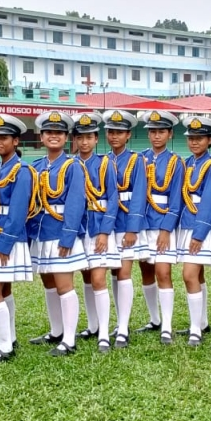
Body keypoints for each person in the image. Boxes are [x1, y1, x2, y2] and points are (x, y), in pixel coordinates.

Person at [28, 111, 88, 357]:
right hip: (41, 232)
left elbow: (76, 203)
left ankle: (69, 339)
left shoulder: (73, 166)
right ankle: (56, 330)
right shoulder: (36, 166)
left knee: (64, 284)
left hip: (61, 231)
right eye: (49, 133)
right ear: (41, 137)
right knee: (48, 281)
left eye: (59, 133)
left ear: (66, 138)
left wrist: (68, 235)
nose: (54, 136)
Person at [0, 113, 36, 364]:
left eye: (3, 138)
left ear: (16, 141)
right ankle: (10, 338)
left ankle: (5, 347)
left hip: (6, 235)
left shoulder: (21, 171)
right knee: (3, 288)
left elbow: (19, 211)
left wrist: (5, 242)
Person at [137, 110, 185, 345]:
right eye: (152, 132)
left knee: (163, 272)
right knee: (146, 270)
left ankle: (167, 325)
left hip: (162, 222)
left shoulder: (176, 162)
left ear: (170, 134)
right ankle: (154, 319)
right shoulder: (140, 159)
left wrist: (166, 229)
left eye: (161, 131)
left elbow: (176, 199)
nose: (156, 136)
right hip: (143, 223)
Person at [73, 112, 119, 353]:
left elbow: (113, 198)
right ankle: (92, 325)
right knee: (86, 277)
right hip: (79, 229)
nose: (84, 142)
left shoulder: (104, 164)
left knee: (99, 279)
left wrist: (104, 231)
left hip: (99, 226)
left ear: (96, 139)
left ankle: (104, 333)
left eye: (89, 137)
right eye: (80, 137)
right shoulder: (70, 164)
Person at [176, 116, 211, 346]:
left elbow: (210, 201)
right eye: (191, 138)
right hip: (187, 222)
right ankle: (202, 322)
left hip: (201, 225)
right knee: (198, 274)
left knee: (189, 275)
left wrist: (199, 233)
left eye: (200, 138)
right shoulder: (188, 163)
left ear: (210, 140)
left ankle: (195, 329)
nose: (194, 142)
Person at [103, 109, 149, 349]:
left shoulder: (136, 160)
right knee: (113, 272)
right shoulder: (104, 160)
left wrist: (133, 228)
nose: (114, 136)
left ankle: (123, 328)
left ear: (128, 135)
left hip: (126, 222)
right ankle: (119, 322)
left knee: (124, 273)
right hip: (108, 223)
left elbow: (139, 195)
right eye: (111, 132)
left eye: (119, 132)